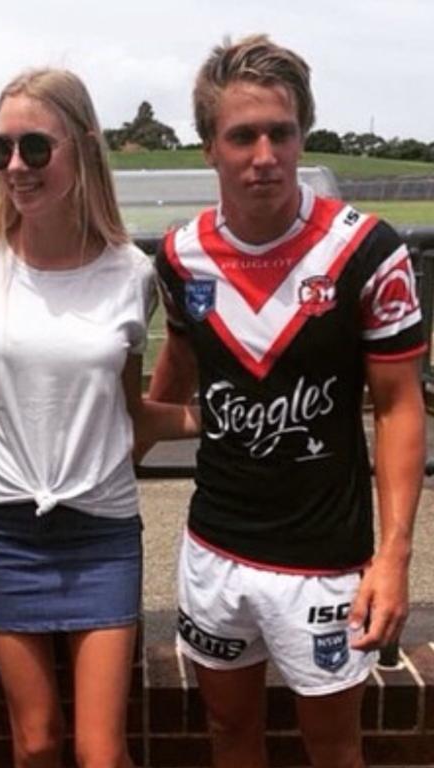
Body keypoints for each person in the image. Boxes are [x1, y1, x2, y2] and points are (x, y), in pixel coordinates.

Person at [148, 34, 426, 768]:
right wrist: (132, 444)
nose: (264, 155)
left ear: (303, 133)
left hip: (325, 559)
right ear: (209, 147)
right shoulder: (178, 258)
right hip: (214, 547)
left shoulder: (366, 250)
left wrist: (394, 557)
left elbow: (399, 407)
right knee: (228, 733)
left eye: (282, 132)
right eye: (242, 135)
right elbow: (179, 360)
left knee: (333, 747)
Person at [0, 68, 197, 768]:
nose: (16, 167)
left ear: (83, 148)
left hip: (102, 530)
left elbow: (126, 409)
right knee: (38, 740)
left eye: (36, 148)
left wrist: (211, 419)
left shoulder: (129, 274)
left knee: (102, 753)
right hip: (4, 528)